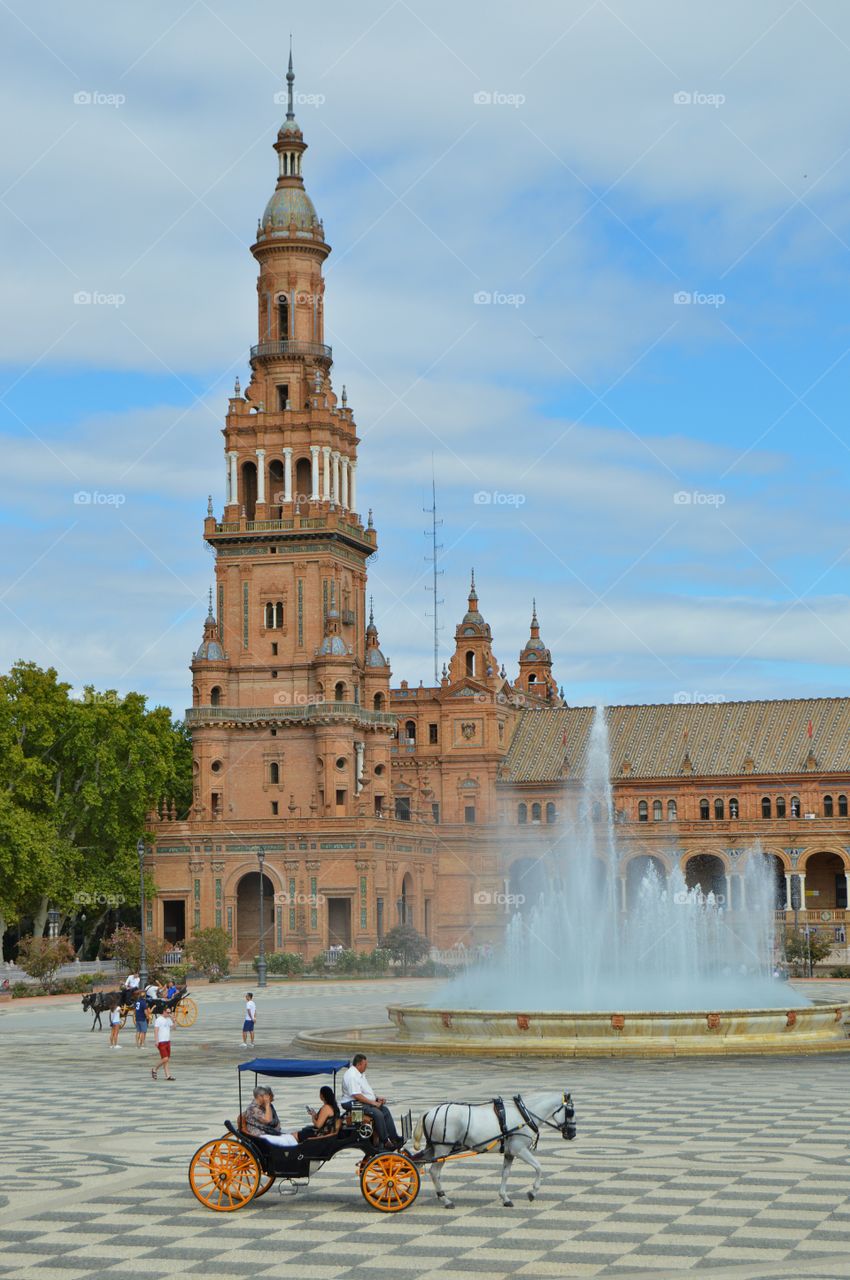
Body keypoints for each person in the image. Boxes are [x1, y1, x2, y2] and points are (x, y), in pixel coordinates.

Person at [340, 1053, 400, 1148]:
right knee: (377, 1113)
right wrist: (373, 1103)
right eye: (365, 1065)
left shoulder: (360, 1074)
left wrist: (376, 1098)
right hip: (351, 1102)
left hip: (359, 1100)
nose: (366, 1067)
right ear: (359, 1064)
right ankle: (385, 1141)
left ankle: (394, 1137)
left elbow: (365, 1091)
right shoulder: (352, 1076)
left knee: (384, 1110)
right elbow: (356, 1095)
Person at [151, 1009, 175, 1080]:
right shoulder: (159, 1019)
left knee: (166, 1059)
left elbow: (174, 1028)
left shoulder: (168, 1019)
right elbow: (156, 1030)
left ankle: (168, 1075)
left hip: (167, 1041)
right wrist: (156, 1040)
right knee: (165, 1058)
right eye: (168, 1012)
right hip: (161, 1041)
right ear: (164, 1012)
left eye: (170, 1012)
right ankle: (155, 1068)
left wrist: (174, 1020)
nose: (169, 1014)